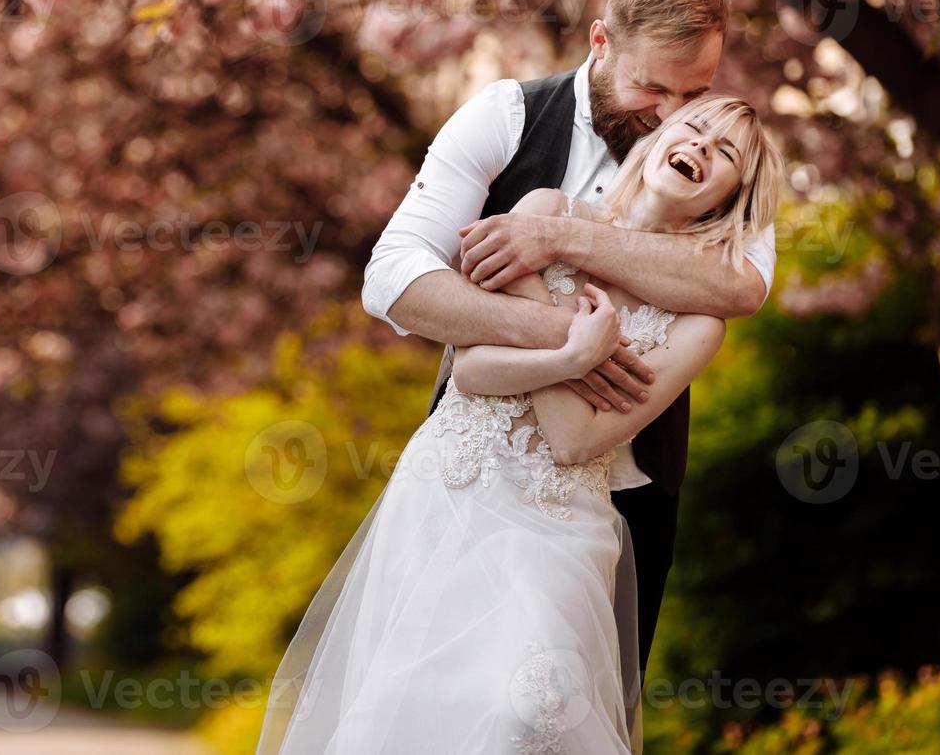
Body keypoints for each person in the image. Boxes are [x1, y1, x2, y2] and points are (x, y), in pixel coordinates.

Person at [258, 93, 782, 753]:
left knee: (530, 712)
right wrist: (574, 353)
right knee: (414, 709)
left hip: (562, 519)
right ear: (658, 139)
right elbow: (471, 372)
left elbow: (576, 439)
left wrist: (550, 358)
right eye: (695, 128)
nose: (703, 145)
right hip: (454, 494)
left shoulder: (700, 325)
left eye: (726, 151)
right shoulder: (542, 214)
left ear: (731, 197)